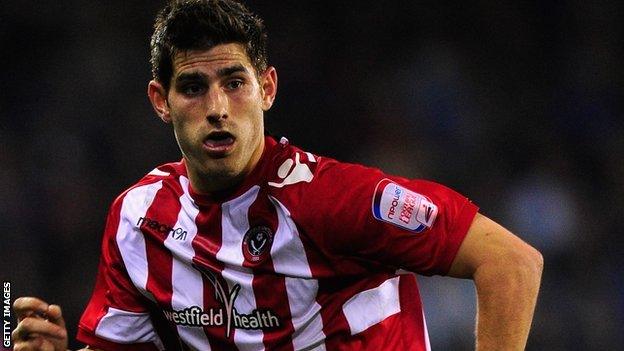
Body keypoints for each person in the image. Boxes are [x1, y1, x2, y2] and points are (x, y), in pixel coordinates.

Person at [12, 0, 543, 350]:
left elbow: (511, 263)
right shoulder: (140, 219)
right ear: (161, 101)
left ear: (267, 89)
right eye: (194, 87)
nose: (218, 107)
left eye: (235, 82)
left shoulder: (335, 200)